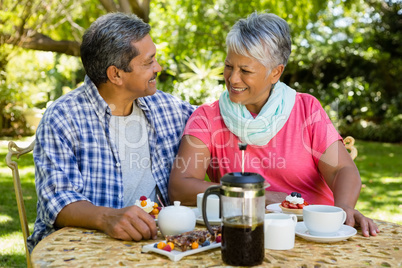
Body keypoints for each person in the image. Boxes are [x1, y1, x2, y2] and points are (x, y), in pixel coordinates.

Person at [168, 12, 379, 237]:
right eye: (229, 66)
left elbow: (341, 169)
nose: (232, 79)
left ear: (275, 72)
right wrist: (256, 198)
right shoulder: (207, 118)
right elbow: (181, 187)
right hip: (245, 233)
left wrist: (344, 207)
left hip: (312, 233)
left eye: (245, 70)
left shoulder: (307, 109)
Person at [28, 12, 195, 252]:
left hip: (154, 246)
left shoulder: (166, 107)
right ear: (115, 74)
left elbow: (213, 122)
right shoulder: (63, 117)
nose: (158, 67)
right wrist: (108, 218)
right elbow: (57, 200)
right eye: (149, 62)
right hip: (80, 248)